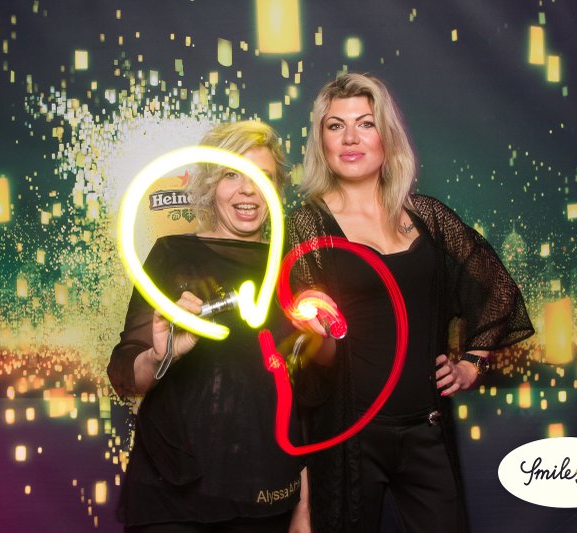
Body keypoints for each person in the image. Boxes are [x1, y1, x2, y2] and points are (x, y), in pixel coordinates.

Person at [286, 73, 534, 532]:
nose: (351, 138)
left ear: (386, 134)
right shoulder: (309, 226)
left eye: (365, 123)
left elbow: (500, 291)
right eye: (336, 126)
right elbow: (314, 355)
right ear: (321, 141)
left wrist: (472, 363)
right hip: (350, 436)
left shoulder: (428, 216)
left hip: (426, 428)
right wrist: (317, 333)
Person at [108, 121, 310, 532]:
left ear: (277, 187)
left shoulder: (294, 265)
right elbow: (124, 377)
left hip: (266, 492)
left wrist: (305, 504)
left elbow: (308, 394)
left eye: (262, 177)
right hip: (173, 493)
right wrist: (160, 356)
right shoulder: (172, 254)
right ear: (211, 184)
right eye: (232, 174)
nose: (248, 190)